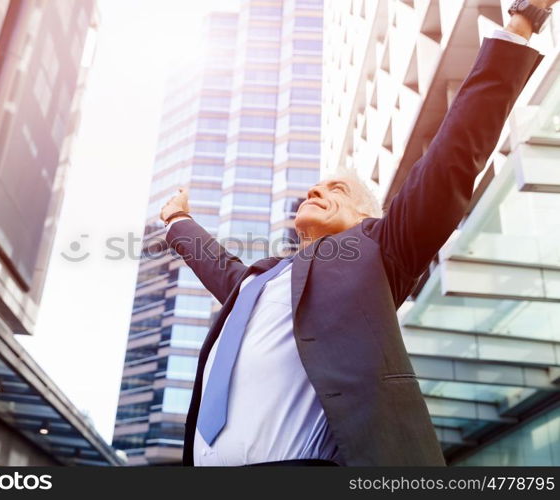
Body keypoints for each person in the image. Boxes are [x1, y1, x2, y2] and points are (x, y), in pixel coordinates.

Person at [159, 0, 553, 466]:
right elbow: (217, 264)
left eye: (336, 188)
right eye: (315, 185)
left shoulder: (380, 249)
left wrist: (522, 22)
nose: (315, 189)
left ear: (367, 216)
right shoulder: (254, 283)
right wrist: (177, 221)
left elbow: (453, 152)